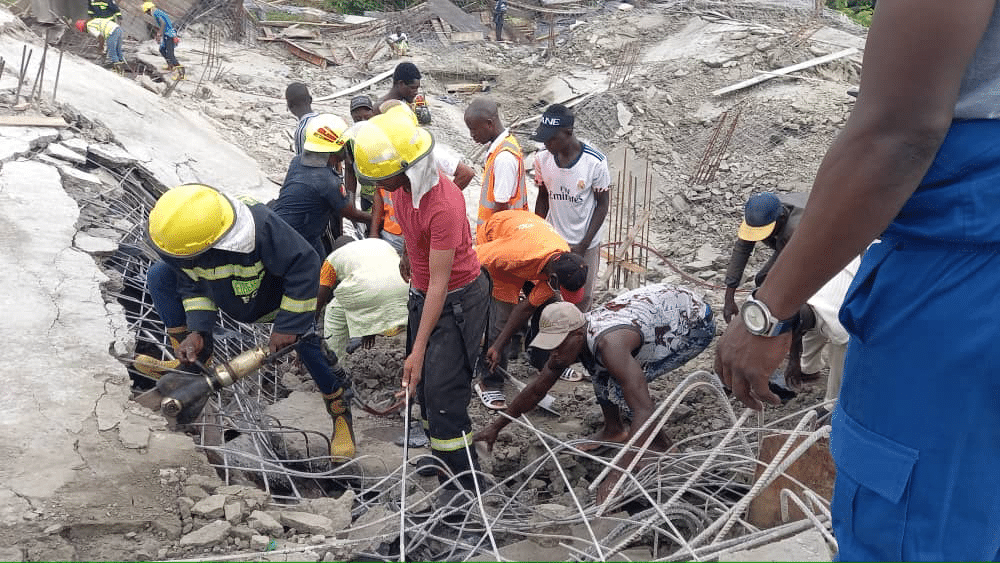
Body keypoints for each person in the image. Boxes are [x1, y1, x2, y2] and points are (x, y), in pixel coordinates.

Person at [714, 0, 1000, 559]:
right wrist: (742, 295)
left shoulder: (805, 225)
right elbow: (744, 260)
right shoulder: (778, 223)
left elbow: (898, 135)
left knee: (909, 520)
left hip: (958, 274)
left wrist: (765, 313)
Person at [144, 184, 356, 458]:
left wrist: (288, 326)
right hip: (229, 293)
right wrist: (197, 330)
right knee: (160, 275)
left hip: (276, 299)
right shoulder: (182, 242)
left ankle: (340, 413)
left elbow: (305, 266)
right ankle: (191, 367)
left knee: (308, 345)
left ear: (212, 242)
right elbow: (192, 284)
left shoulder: (261, 228)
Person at [350, 103, 490, 493]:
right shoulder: (401, 188)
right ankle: (444, 458)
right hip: (424, 293)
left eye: (388, 178)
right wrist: (407, 257)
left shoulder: (443, 203)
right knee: (424, 390)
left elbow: (441, 285)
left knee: (445, 395)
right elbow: (415, 237)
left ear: (408, 167)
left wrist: (417, 349)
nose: (384, 186)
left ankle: (465, 484)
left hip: (457, 300)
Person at [475, 285, 714, 500]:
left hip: (692, 322)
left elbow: (644, 408)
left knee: (623, 388)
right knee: (601, 370)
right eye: (551, 346)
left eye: (558, 346)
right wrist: (496, 426)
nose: (554, 354)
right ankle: (615, 430)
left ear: (577, 335)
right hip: (654, 313)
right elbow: (537, 390)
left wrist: (616, 477)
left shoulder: (610, 345)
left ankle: (660, 445)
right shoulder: (575, 335)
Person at [475, 210, 588, 410]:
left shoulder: (565, 261)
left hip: (532, 243)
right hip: (498, 237)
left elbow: (526, 308)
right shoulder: (510, 255)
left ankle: (544, 362)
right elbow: (474, 256)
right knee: (502, 318)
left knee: (552, 308)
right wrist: (498, 345)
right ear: (553, 279)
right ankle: (490, 381)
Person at [532, 103, 611, 311]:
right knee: (551, 294)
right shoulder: (542, 158)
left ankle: (578, 335)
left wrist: (584, 245)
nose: (547, 143)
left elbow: (602, 205)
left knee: (581, 297)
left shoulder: (595, 163)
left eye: (551, 138)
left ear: (568, 133)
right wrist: (539, 233)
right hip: (554, 241)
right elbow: (542, 198)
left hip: (585, 242)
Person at [271, 114, 371, 259]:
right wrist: (378, 219)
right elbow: (351, 213)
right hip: (298, 243)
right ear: (337, 149)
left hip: (283, 230)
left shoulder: (297, 162)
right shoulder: (328, 182)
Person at [784, 255, 859, 407]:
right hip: (839, 267)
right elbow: (795, 325)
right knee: (811, 329)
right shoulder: (801, 293)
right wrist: (794, 361)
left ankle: (831, 403)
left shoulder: (840, 321)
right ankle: (809, 369)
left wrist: (830, 405)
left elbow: (846, 340)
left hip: (856, 277)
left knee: (840, 354)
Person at [721, 191, 807, 323]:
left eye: (763, 232)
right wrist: (729, 298)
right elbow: (741, 250)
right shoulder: (759, 213)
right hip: (786, 242)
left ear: (781, 218)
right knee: (763, 280)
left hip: (818, 246)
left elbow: (793, 271)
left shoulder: (796, 230)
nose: (761, 238)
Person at [318, 237, 408, 357]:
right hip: (404, 288)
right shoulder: (379, 243)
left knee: (333, 310)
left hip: (370, 292)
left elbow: (320, 298)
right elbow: (378, 282)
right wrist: (369, 330)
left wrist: (306, 329)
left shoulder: (332, 259)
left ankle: (334, 366)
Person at [464, 97, 529, 242]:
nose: (472, 135)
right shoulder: (502, 148)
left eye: (474, 129)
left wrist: (491, 241)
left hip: (501, 237)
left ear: (489, 124)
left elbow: (501, 208)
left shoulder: (503, 158)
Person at [346, 95, 378, 215]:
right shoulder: (351, 139)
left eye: (367, 117)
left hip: (388, 198)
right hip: (368, 199)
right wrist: (351, 202)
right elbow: (349, 171)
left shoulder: (384, 135)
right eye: (358, 119)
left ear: (373, 114)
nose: (363, 122)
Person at [142, 2, 182, 78]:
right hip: (166, 34)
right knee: (162, 49)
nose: (148, 14)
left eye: (147, 13)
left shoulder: (155, 13)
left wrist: (159, 34)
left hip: (169, 35)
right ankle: (170, 66)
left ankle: (181, 72)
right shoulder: (157, 12)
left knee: (170, 54)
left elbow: (163, 23)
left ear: (149, 10)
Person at [286, 83, 318, 155]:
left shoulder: (302, 130)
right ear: (310, 99)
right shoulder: (324, 121)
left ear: (289, 105)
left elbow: (301, 162)